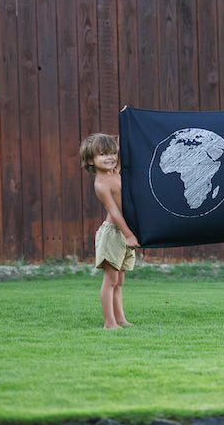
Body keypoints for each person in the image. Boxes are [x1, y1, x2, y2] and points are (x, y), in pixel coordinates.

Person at [80, 133, 140, 329]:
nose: (110, 157)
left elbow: (122, 150)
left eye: (112, 153)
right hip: (113, 233)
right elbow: (113, 211)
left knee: (119, 279)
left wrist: (126, 121)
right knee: (110, 279)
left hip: (123, 232)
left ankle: (120, 318)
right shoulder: (101, 183)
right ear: (91, 160)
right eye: (103, 154)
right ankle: (109, 322)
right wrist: (129, 234)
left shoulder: (115, 172)